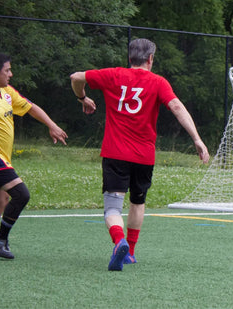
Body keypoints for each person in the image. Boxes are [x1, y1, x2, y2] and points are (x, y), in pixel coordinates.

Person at [70, 38, 210, 271]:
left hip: (115, 153)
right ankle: (130, 252)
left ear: (129, 58)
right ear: (150, 59)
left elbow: (76, 78)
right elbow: (176, 107)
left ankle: (119, 241)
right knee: (138, 201)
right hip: (144, 156)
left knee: (113, 207)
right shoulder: (158, 82)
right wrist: (197, 139)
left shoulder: (113, 75)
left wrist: (82, 98)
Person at [0, 52, 68, 259]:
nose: (11, 74)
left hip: (2, 158)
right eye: (7, 70)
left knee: (0, 201)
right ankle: (1, 240)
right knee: (21, 194)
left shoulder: (5, 92)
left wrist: (51, 125)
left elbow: (31, 107)